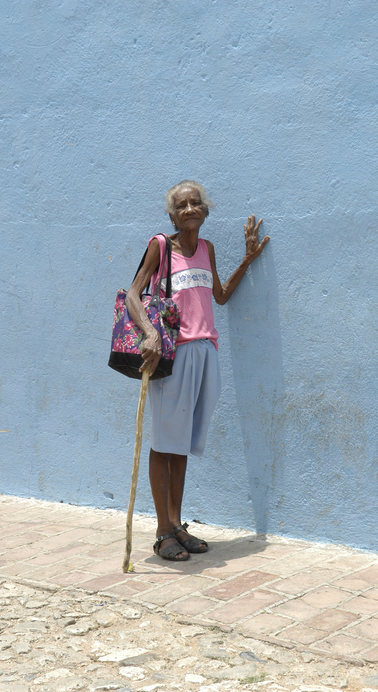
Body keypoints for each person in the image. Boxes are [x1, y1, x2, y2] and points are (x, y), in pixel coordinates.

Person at [126, 180, 269, 561]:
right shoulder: (160, 246)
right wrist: (150, 333)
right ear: (172, 215)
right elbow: (132, 295)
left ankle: (176, 524)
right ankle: (162, 532)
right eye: (182, 205)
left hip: (206, 351)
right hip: (172, 355)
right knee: (163, 442)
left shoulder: (206, 248)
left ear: (205, 211)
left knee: (182, 443)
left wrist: (247, 260)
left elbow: (219, 297)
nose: (190, 209)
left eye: (196, 203)